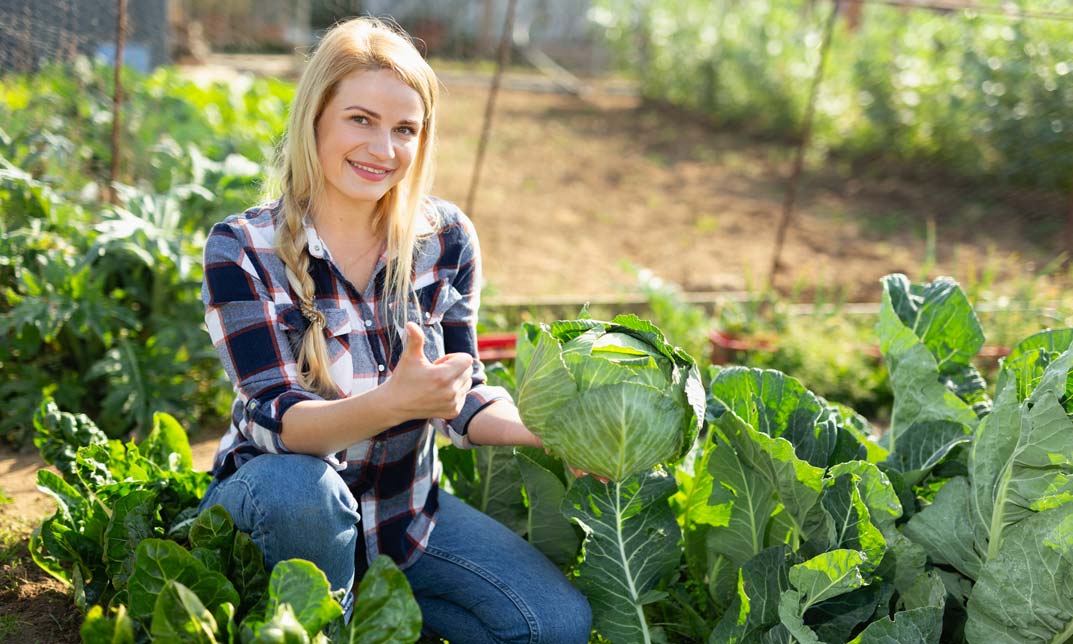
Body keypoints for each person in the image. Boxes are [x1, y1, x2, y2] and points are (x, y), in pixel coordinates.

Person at [197, 16, 593, 644]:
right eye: (361, 119)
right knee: (308, 492)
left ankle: (370, 600)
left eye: (404, 129)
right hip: (277, 505)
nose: (383, 150)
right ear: (316, 117)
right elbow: (284, 422)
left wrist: (557, 434)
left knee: (555, 625)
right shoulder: (243, 247)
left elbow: (462, 393)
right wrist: (393, 404)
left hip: (404, 517)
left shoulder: (446, 239)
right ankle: (316, 615)